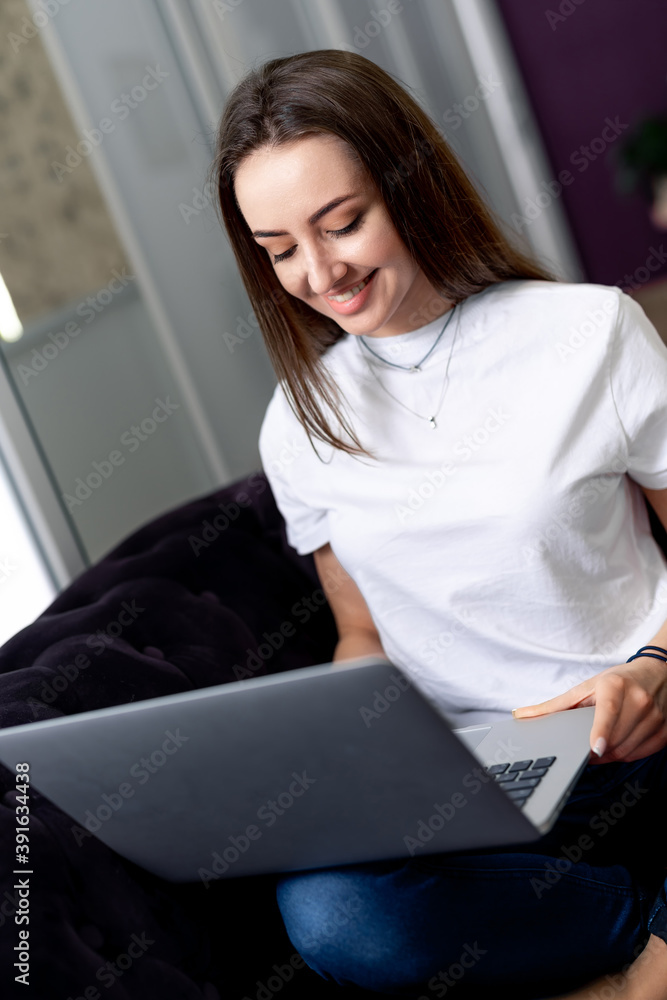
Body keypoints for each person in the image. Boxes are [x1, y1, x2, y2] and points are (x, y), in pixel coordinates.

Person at [210, 49, 667, 999]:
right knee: (336, 912)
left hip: (643, 739)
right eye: (279, 248)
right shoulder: (301, 421)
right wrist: (351, 760)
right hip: (478, 789)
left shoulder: (590, 333)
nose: (320, 271)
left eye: (342, 223)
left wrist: (653, 665)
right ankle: (640, 943)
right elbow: (363, 632)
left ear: (410, 183)